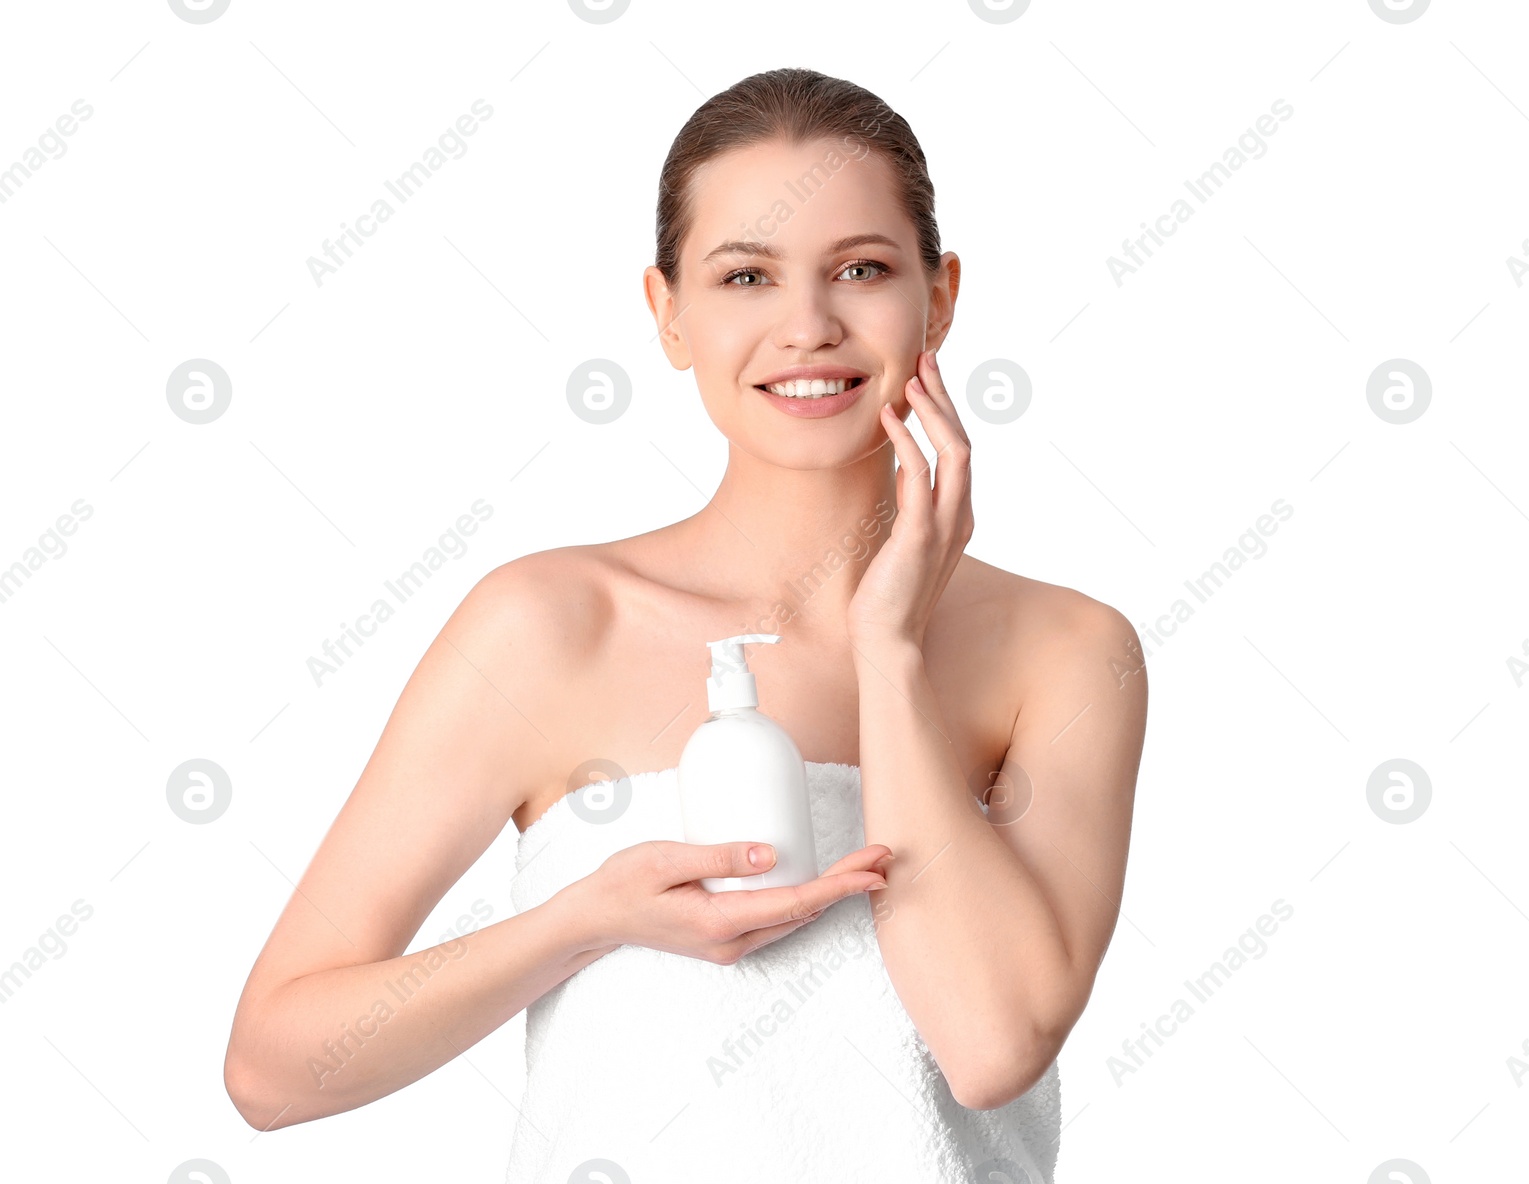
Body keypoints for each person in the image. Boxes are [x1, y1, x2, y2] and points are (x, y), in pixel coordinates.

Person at [223, 66, 1147, 1184]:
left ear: (938, 296)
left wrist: (889, 651)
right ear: (667, 314)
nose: (807, 326)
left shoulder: (1061, 652)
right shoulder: (549, 625)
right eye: (745, 276)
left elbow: (991, 1046)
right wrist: (586, 918)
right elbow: (271, 1067)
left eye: (861, 269)